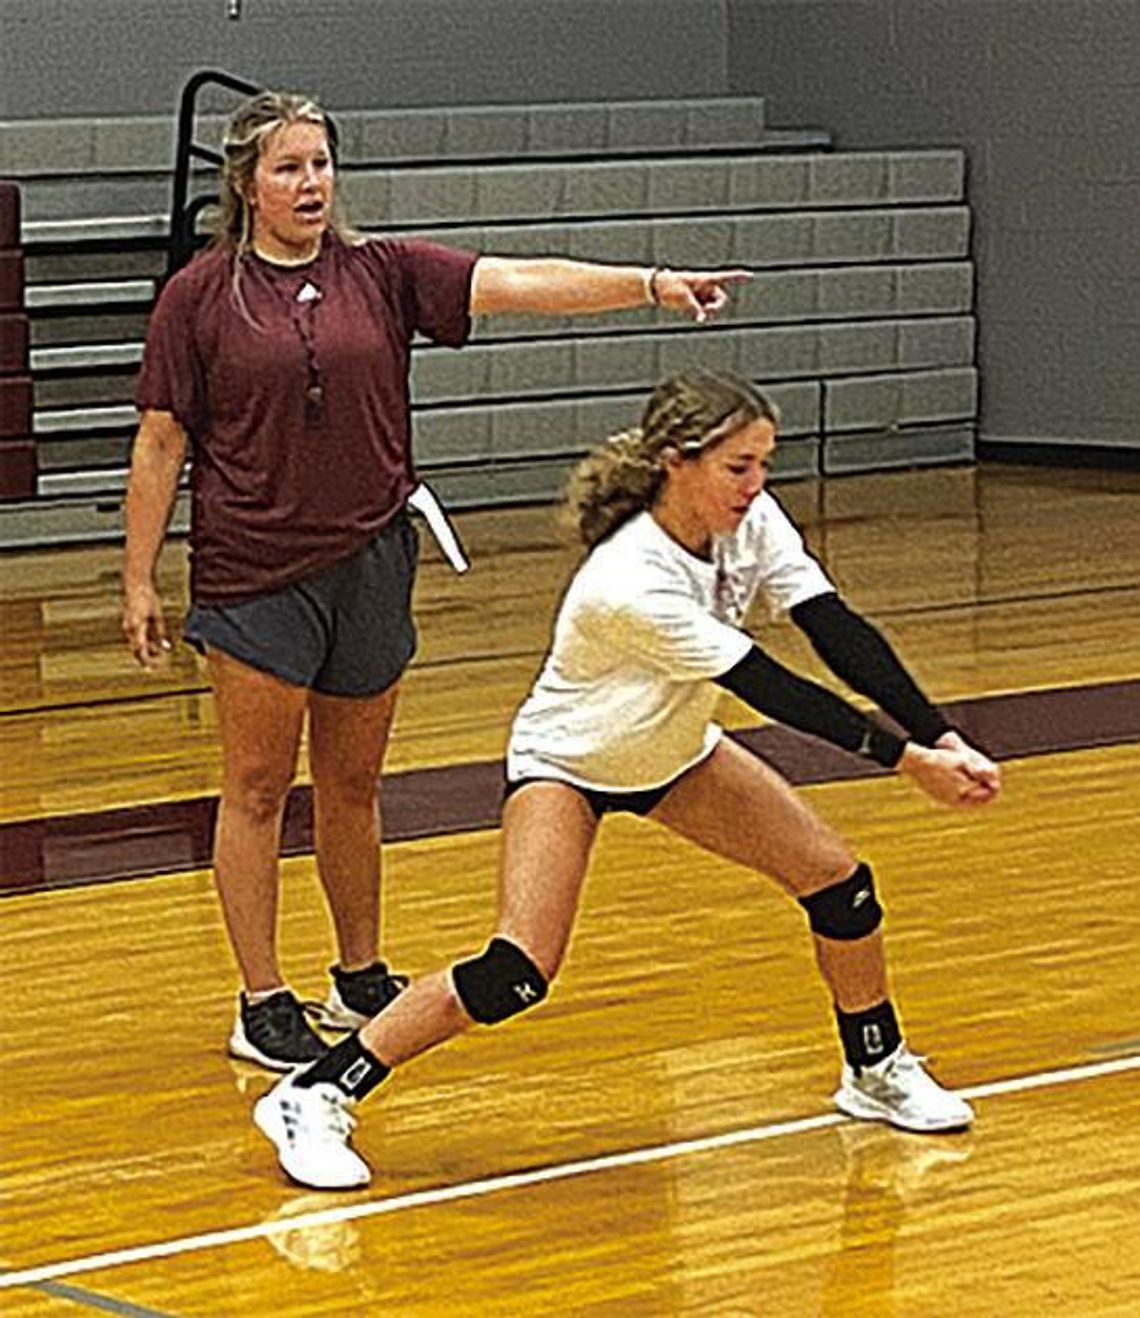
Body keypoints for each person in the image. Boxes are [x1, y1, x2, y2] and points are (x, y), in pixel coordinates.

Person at [251, 368, 1002, 1190]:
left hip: (674, 754)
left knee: (840, 885)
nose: (756, 485)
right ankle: (317, 1092)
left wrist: (940, 734)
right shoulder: (628, 581)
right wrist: (908, 763)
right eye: (738, 467)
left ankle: (874, 1067)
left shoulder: (750, 523)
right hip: (569, 764)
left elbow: (833, 627)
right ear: (678, 463)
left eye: (764, 465)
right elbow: (770, 687)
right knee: (517, 969)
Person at [121, 90, 750, 1072]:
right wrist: (138, 580)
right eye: (289, 168)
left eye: (322, 164)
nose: (311, 184)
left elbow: (521, 281)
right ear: (246, 184)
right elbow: (161, 441)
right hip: (253, 574)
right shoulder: (200, 297)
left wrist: (652, 283)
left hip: (370, 560)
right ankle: (262, 997)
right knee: (253, 789)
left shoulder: (384, 273)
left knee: (353, 784)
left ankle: (360, 970)